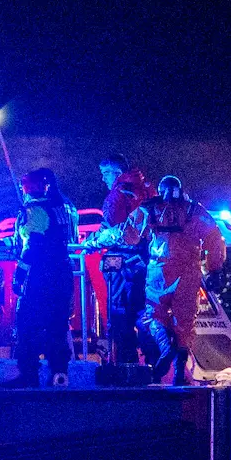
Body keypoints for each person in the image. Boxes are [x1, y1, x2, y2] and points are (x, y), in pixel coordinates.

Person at [94, 175, 223, 385]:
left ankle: (166, 347)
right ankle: (180, 373)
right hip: (189, 273)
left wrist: (95, 241)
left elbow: (127, 235)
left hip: (159, 271)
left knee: (153, 314)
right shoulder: (196, 211)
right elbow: (214, 238)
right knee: (185, 322)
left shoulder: (149, 209)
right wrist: (214, 267)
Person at [7, 167, 76, 387]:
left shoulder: (35, 209)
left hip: (41, 275)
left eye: (24, 185)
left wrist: (19, 275)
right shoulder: (65, 207)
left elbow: (32, 245)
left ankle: (28, 374)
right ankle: (59, 374)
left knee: (27, 321)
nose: (22, 189)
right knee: (57, 324)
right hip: (63, 273)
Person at [95, 154, 151, 365]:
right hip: (146, 262)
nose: (103, 179)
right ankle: (153, 361)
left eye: (105, 174)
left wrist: (91, 243)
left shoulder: (117, 196)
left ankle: (126, 366)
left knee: (119, 315)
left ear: (116, 173)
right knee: (145, 312)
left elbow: (110, 230)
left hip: (122, 263)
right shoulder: (147, 190)